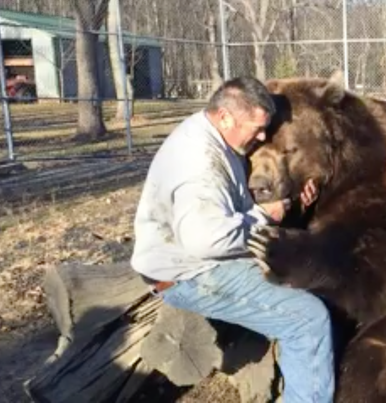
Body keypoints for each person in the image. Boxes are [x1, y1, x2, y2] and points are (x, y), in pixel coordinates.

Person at [130, 76, 335, 402]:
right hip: (190, 274)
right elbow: (205, 240)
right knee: (307, 320)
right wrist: (265, 217)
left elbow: (229, 212)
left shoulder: (215, 137)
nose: (263, 136)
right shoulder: (200, 160)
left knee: (312, 283)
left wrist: (293, 202)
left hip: (199, 261)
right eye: (256, 127)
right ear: (225, 116)